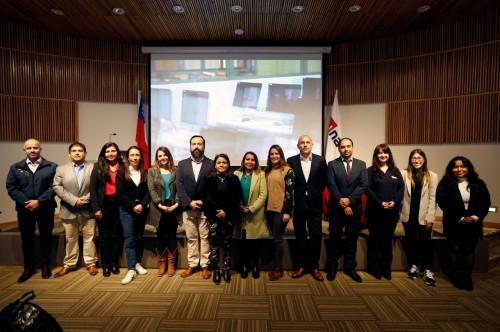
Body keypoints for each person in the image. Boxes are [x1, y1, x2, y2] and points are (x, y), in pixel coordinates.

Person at [6, 139, 57, 283]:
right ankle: (29, 268)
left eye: (35, 148)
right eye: (29, 148)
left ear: (41, 149)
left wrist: (39, 201)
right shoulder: (15, 167)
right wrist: (26, 202)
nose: (32, 150)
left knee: (46, 237)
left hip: (45, 208)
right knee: (26, 239)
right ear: (24, 150)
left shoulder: (51, 166)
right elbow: (11, 188)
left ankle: (45, 266)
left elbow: (54, 187)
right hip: (25, 209)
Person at [437, 156, 490, 291]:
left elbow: (485, 203)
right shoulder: (445, 183)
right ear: (451, 169)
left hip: (473, 224)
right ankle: (455, 277)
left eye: (462, 166)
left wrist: (475, 217)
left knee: (468, 250)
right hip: (453, 222)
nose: (459, 169)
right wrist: (459, 218)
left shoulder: (479, 183)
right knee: (454, 249)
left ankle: (467, 277)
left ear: (468, 168)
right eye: (455, 166)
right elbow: (443, 203)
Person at [53, 142, 98, 278]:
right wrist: (74, 200)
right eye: (74, 151)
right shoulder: (61, 169)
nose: (77, 153)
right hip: (68, 209)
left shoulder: (93, 168)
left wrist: (83, 200)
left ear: (85, 153)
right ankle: (70, 264)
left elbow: (97, 187)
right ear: (69, 153)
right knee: (70, 238)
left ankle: (90, 263)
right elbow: (57, 187)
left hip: (88, 208)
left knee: (89, 237)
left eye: (80, 150)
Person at [326, 138, 367, 283]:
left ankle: (350, 269)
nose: (346, 149)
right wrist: (344, 204)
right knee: (334, 241)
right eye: (343, 147)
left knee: (352, 242)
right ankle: (332, 268)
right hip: (336, 210)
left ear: (353, 147)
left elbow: (363, 185)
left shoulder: (361, 165)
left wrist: (350, 200)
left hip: (354, 210)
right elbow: (331, 185)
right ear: (339, 149)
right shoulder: (332, 165)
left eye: (348, 146)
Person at [287, 135, 327, 281]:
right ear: (298, 145)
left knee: (316, 236)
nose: (305, 145)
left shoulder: (320, 160)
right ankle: (301, 266)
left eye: (307, 142)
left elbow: (324, 181)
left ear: (312, 144)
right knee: (300, 236)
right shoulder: (291, 161)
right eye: (302, 143)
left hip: (315, 204)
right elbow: (290, 182)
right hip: (298, 204)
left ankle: (315, 267)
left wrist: (314, 193)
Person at [176, 135, 214, 279]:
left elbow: (213, 185)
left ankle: (205, 265)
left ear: (204, 146)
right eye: (194, 144)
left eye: (199, 144)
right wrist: (189, 202)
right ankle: (192, 264)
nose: (196, 146)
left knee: (205, 237)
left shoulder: (211, 164)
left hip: (205, 207)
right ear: (190, 146)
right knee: (191, 238)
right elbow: (179, 185)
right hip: (188, 207)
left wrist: (204, 201)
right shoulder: (182, 164)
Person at [365, 144, 404, 280]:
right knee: (375, 240)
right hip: (374, 212)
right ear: (376, 155)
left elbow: (401, 190)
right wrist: (380, 203)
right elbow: (367, 189)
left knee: (387, 241)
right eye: (380, 153)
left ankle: (386, 269)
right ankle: (375, 269)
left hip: (391, 212)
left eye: (385, 153)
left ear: (389, 155)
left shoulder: (396, 171)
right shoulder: (370, 171)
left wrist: (394, 202)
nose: (383, 155)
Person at [400, 149, 438, 286]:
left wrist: (430, 217)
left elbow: (433, 198)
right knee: (410, 242)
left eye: (419, 158)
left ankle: (427, 270)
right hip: (408, 214)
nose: (417, 160)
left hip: (424, 215)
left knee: (425, 242)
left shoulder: (432, 175)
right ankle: (414, 266)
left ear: (424, 159)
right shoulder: (404, 174)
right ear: (410, 160)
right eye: (414, 158)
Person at [203, 154, 242, 284]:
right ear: (215, 165)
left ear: (228, 164)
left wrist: (226, 212)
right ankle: (216, 270)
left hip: (229, 217)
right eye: (219, 162)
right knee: (214, 246)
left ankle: (226, 269)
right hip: (214, 218)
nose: (221, 165)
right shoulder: (208, 179)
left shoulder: (234, 179)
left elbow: (237, 198)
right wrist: (218, 212)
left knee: (227, 245)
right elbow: (206, 198)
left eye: (224, 162)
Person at [116, 146, 151, 285]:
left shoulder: (146, 172)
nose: (135, 157)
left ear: (141, 157)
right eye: (132, 155)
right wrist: (133, 206)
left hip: (142, 210)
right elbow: (120, 193)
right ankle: (131, 269)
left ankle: (137, 263)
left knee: (139, 237)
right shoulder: (121, 172)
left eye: (137, 155)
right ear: (128, 157)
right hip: (126, 211)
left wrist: (142, 205)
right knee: (130, 239)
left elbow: (148, 192)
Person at [90, 142, 124, 277]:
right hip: (104, 205)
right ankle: (106, 265)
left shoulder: (123, 166)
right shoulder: (97, 167)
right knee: (104, 236)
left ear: (118, 152)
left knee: (116, 235)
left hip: (119, 204)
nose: (110, 154)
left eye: (113, 151)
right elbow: (92, 189)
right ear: (104, 153)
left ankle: (114, 263)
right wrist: (96, 208)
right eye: (107, 151)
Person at [147, 146, 181, 277]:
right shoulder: (152, 171)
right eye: (160, 155)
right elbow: (151, 189)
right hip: (158, 207)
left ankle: (171, 264)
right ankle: (162, 264)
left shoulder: (175, 170)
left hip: (173, 206)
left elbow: (179, 189)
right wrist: (159, 204)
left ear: (169, 156)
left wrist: (177, 203)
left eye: (164, 155)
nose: (162, 158)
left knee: (172, 235)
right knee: (160, 235)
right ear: (157, 158)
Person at [234, 152, 268, 279]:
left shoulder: (261, 175)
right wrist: (239, 206)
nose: (249, 162)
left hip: (255, 214)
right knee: (243, 242)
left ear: (256, 162)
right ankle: (244, 265)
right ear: (243, 161)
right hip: (240, 213)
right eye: (247, 159)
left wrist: (251, 209)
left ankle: (255, 266)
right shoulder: (236, 174)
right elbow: (232, 193)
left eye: (252, 160)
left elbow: (263, 195)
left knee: (254, 243)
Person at [265, 145, 295, 281]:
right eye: (272, 154)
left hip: (281, 210)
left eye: (277, 153)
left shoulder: (287, 170)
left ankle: (279, 267)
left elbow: (290, 193)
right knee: (274, 237)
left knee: (278, 238)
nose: (274, 156)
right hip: (269, 209)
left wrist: (288, 212)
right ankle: (276, 264)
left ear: (281, 155)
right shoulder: (268, 170)